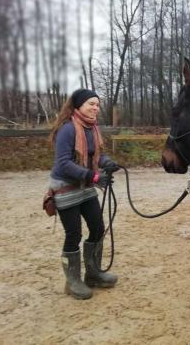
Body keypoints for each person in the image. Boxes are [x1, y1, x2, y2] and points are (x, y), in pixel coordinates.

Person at [48, 88, 118, 300]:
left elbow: (96, 154)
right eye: (91, 104)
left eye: (97, 104)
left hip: (85, 186)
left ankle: (93, 274)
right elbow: (64, 163)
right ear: (78, 106)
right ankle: (72, 282)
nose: (96, 108)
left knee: (97, 227)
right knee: (74, 234)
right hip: (66, 187)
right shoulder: (68, 130)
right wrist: (94, 177)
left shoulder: (92, 129)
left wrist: (107, 163)